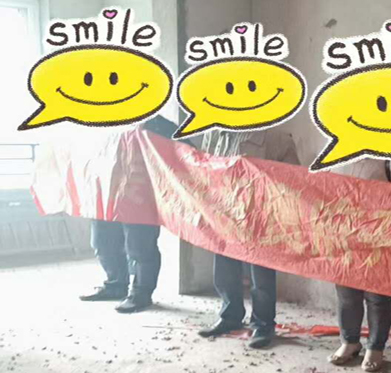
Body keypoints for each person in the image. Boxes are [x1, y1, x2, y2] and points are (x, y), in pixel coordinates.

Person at [198, 128, 300, 349]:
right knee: (225, 270)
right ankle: (230, 316)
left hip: (260, 215)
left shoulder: (276, 136)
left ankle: (263, 325)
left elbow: (294, 177)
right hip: (225, 211)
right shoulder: (215, 131)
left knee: (261, 274)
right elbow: (205, 167)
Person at [79, 114, 176, 313]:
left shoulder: (157, 124)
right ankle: (115, 285)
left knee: (141, 249)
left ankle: (141, 294)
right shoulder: (103, 122)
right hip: (107, 194)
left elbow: (183, 153)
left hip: (141, 196)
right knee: (103, 242)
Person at [328, 158, 391, 372]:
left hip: (381, 243)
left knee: (377, 297)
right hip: (345, 240)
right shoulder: (336, 161)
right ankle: (349, 342)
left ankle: (375, 347)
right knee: (346, 294)